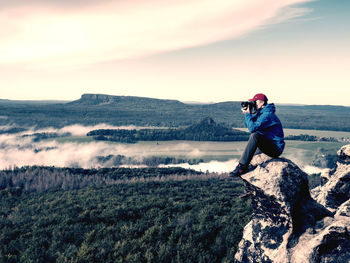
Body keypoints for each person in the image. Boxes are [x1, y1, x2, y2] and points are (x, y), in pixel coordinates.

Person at [230, 93, 285, 177]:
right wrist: (248, 113)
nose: (254, 104)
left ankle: (242, 166)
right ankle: (248, 182)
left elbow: (252, 128)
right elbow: (249, 124)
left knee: (255, 135)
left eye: (255, 102)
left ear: (262, 103)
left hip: (275, 149)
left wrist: (248, 114)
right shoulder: (262, 113)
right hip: (268, 144)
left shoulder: (267, 115)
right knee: (250, 154)